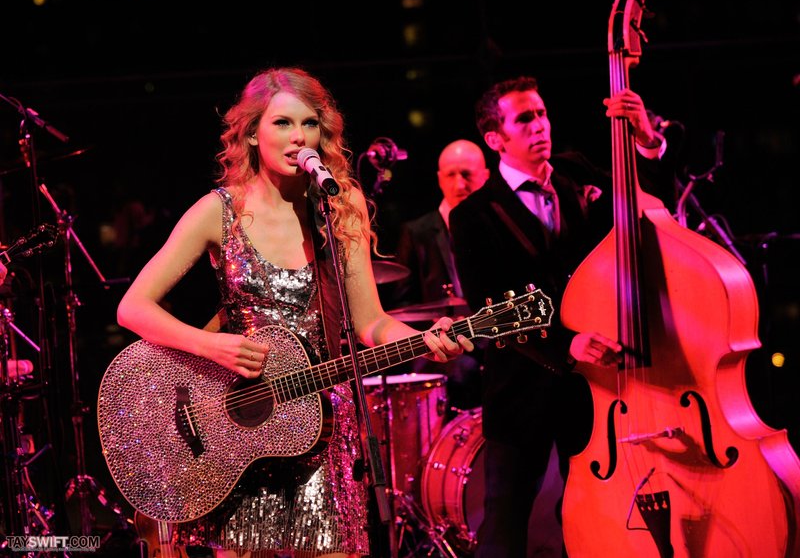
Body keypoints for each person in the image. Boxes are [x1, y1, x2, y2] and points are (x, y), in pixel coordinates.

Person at [115, 66, 473, 558]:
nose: (297, 137)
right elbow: (132, 307)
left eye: (309, 124)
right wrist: (211, 344)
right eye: (282, 123)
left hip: (322, 431)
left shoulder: (339, 206)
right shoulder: (219, 211)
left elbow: (372, 321)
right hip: (240, 436)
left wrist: (425, 340)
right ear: (252, 133)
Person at [449, 75, 665, 558]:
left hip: (595, 387)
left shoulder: (575, 172)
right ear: (495, 138)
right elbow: (488, 309)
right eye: (524, 119)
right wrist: (563, 343)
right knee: (504, 530)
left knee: (593, 521)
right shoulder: (473, 216)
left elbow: (649, 211)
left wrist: (646, 141)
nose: (539, 125)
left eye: (541, 113)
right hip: (520, 389)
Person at [392, 139, 489, 412]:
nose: (460, 184)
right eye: (451, 175)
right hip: (440, 349)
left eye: (467, 174)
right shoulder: (416, 232)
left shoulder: (498, 227)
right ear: (439, 179)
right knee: (461, 372)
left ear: (486, 176)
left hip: (491, 341)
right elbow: (403, 306)